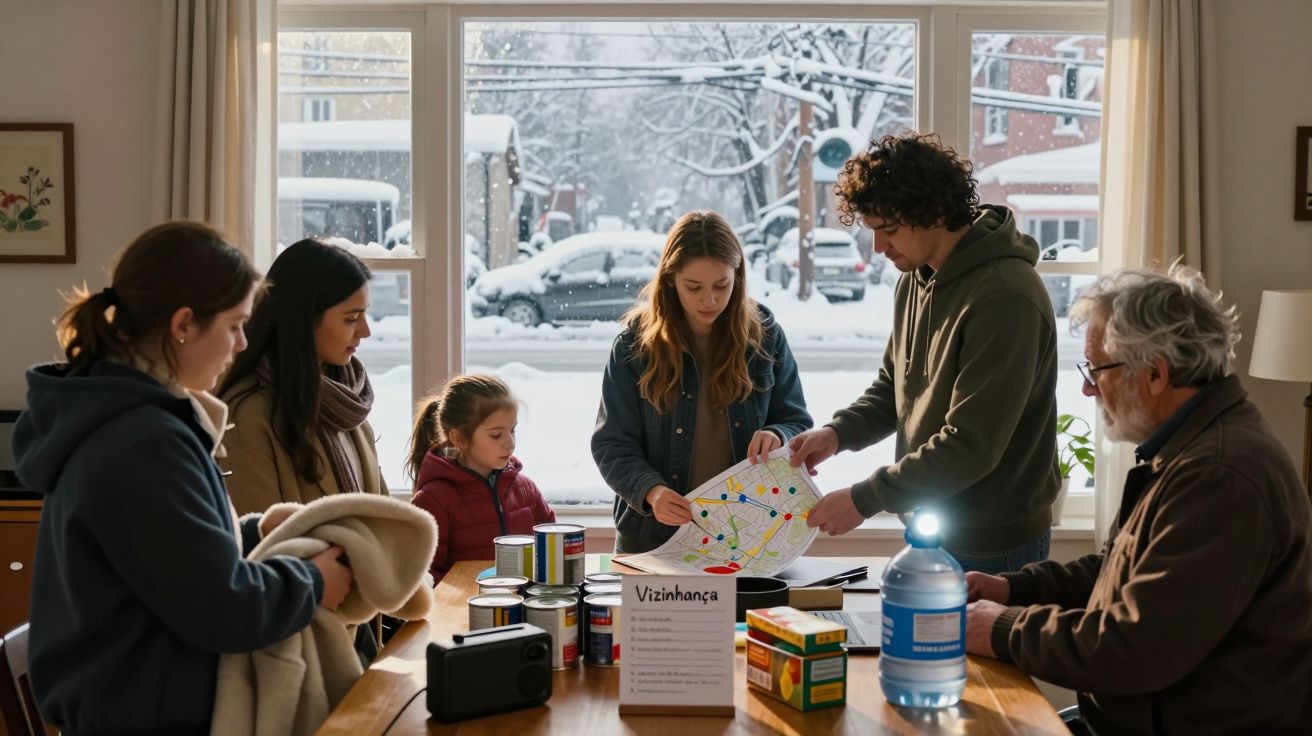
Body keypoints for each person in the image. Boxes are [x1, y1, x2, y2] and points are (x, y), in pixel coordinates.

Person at [12, 222, 353, 735]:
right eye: (235, 325)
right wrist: (313, 582)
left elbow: (165, 562)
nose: (241, 344)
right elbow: (222, 609)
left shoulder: (125, 419)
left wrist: (256, 531)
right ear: (184, 325)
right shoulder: (143, 440)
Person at [964, 265, 1312, 734]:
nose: (1088, 388)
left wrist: (1003, 628)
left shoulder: (1220, 476)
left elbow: (1133, 648)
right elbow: (1117, 573)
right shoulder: (1190, 448)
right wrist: (1011, 590)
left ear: (1154, 374)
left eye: (1097, 369)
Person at [790, 132, 1059, 573]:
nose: (878, 248)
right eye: (873, 231)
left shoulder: (1006, 295)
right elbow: (893, 389)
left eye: (889, 230)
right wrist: (837, 434)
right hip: (931, 526)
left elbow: (971, 444)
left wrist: (864, 499)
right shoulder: (914, 279)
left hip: (994, 544)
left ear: (933, 210)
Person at [592, 210, 813, 554]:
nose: (709, 300)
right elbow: (611, 445)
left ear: (737, 278)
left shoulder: (765, 336)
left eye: (721, 286)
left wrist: (778, 435)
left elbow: (797, 421)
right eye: (693, 287)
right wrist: (652, 492)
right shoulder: (634, 348)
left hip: (748, 537)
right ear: (670, 280)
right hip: (653, 539)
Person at [219, 238, 385, 512]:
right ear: (304, 320)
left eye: (365, 315)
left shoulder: (347, 403)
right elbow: (261, 542)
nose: (365, 331)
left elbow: (385, 521)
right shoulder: (249, 417)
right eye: (351, 318)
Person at [408, 373, 555, 583]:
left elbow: (551, 555)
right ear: (458, 438)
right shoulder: (432, 500)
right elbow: (424, 579)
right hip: (461, 613)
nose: (509, 443)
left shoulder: (526, 490)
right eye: (496, 435)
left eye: (512, 431)